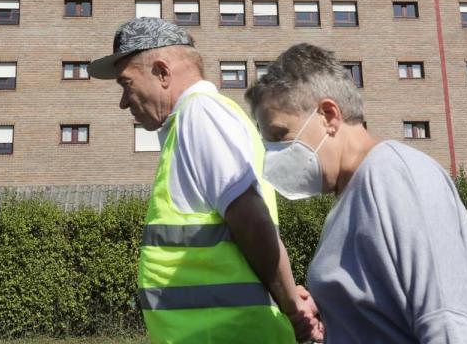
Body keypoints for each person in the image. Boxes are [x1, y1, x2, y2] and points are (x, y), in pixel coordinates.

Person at [245, 43, 467, 344]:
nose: (274, 153)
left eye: (280, 135)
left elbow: (450, 323)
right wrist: (335, 311)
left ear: (329, 115)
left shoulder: (394, 176)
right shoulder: (349, 198)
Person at [89, 18, 320, 343]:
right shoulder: (196, 120)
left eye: (127, 84)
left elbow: (251, 220)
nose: (124, 102)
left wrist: (293, 307)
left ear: (162, 72)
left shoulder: (201, 116)